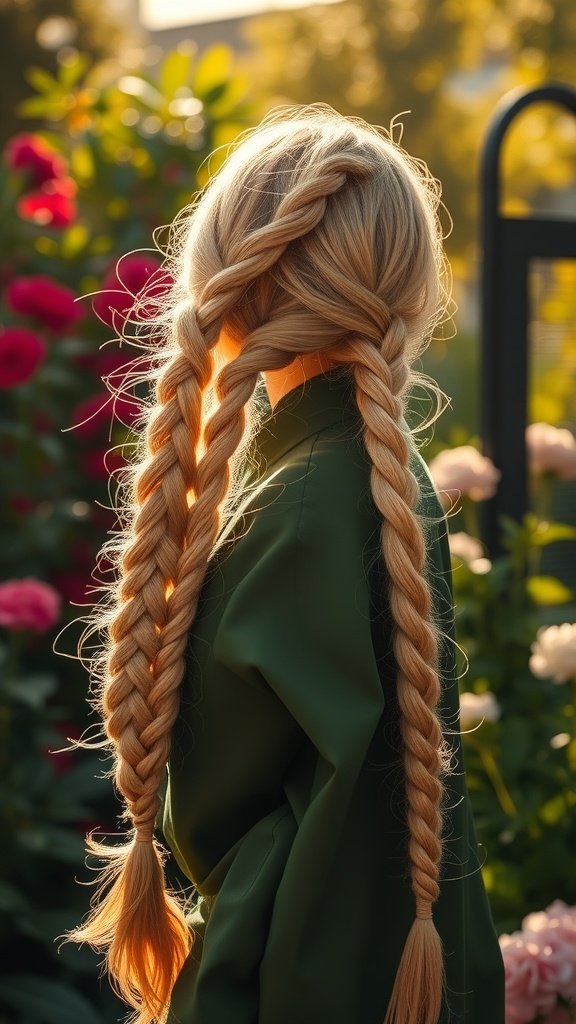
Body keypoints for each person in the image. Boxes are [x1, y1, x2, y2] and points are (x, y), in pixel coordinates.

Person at [69, 103, 505, 1024]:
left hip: (287, 986)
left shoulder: (302, 503)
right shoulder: (376, 476)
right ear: (413, 291)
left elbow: (217, 812)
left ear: (223, 282)